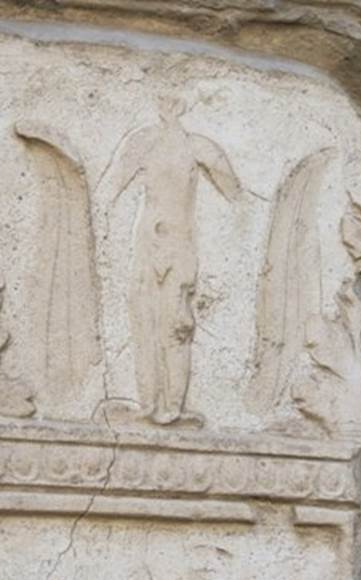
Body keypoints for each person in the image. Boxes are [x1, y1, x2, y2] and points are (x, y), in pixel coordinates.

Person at [106, 97, 241, 426]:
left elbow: (232, 188)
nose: (168, 108)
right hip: (148, 245)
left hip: (180, 246)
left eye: (174, 105)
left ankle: (173, 408)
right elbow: (113, 185)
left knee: (176, 326)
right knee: (144, 324)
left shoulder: (196, 146)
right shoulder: (144, 142)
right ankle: (150, 404)